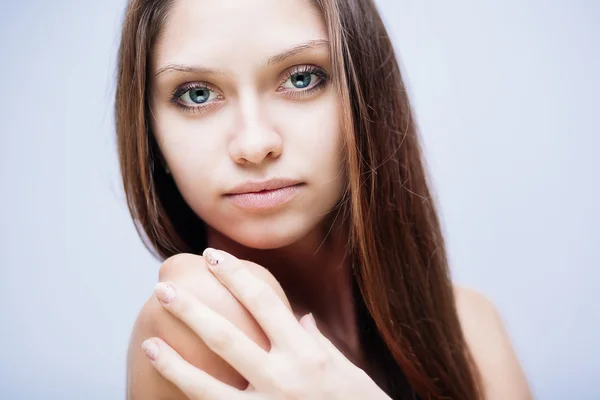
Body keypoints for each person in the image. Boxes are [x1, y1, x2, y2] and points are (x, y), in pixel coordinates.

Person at [116, 0, 532, 398]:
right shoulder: (202, 311)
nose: (255, 143)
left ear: (367, 98)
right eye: (197, 94)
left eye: (301, 78)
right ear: (150, 133)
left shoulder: (471, 324)